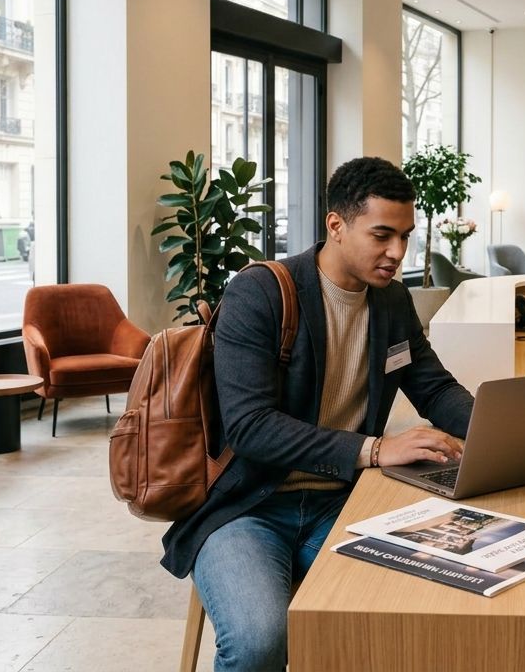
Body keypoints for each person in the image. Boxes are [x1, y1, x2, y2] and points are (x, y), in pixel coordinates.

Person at [160, 156, 474, 671]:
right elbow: (250, 425)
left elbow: (433, 387)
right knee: (261, 640)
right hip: (247, 508)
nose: (397, 252)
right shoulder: (259, 292)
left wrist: (496, 431)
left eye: (405, 236)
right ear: (336, 224)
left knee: (411, 613)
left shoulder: (391, 301)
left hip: (343, 505)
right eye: (381, 235)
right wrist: (373, 449)